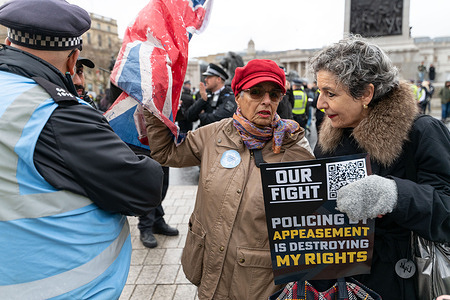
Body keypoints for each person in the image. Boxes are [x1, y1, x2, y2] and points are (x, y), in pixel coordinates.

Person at [0, 1, 164, 298]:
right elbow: (145, 188)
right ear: (72, 58)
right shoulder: (56, 111)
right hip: (62, 286)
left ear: (10, 42)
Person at [143, 59, 315, 299]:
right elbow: (166, 152)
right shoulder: (215, 134)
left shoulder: (293, 147)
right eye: (255, 93)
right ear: (238, 96)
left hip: (256, 283)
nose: (266, 101)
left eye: (274, 94)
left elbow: (315, 215)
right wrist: (155, 108)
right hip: (209, 269)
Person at [308, 35, 450, 300]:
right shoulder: (329, 141)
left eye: (330, 93)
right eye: (319, 92)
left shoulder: (423, 132)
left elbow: (446, 211)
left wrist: (394, 194)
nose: (319, 104)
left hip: (401, 283)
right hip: (342, 284)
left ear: (365, 93)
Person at [184, 63, 236, 127]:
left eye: (209, 77)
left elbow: (217, 120)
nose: (205, 79)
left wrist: (201, 114)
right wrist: (202, 100)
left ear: (218, 79)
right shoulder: (208, 96)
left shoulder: (230, 97)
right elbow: (189, 116)